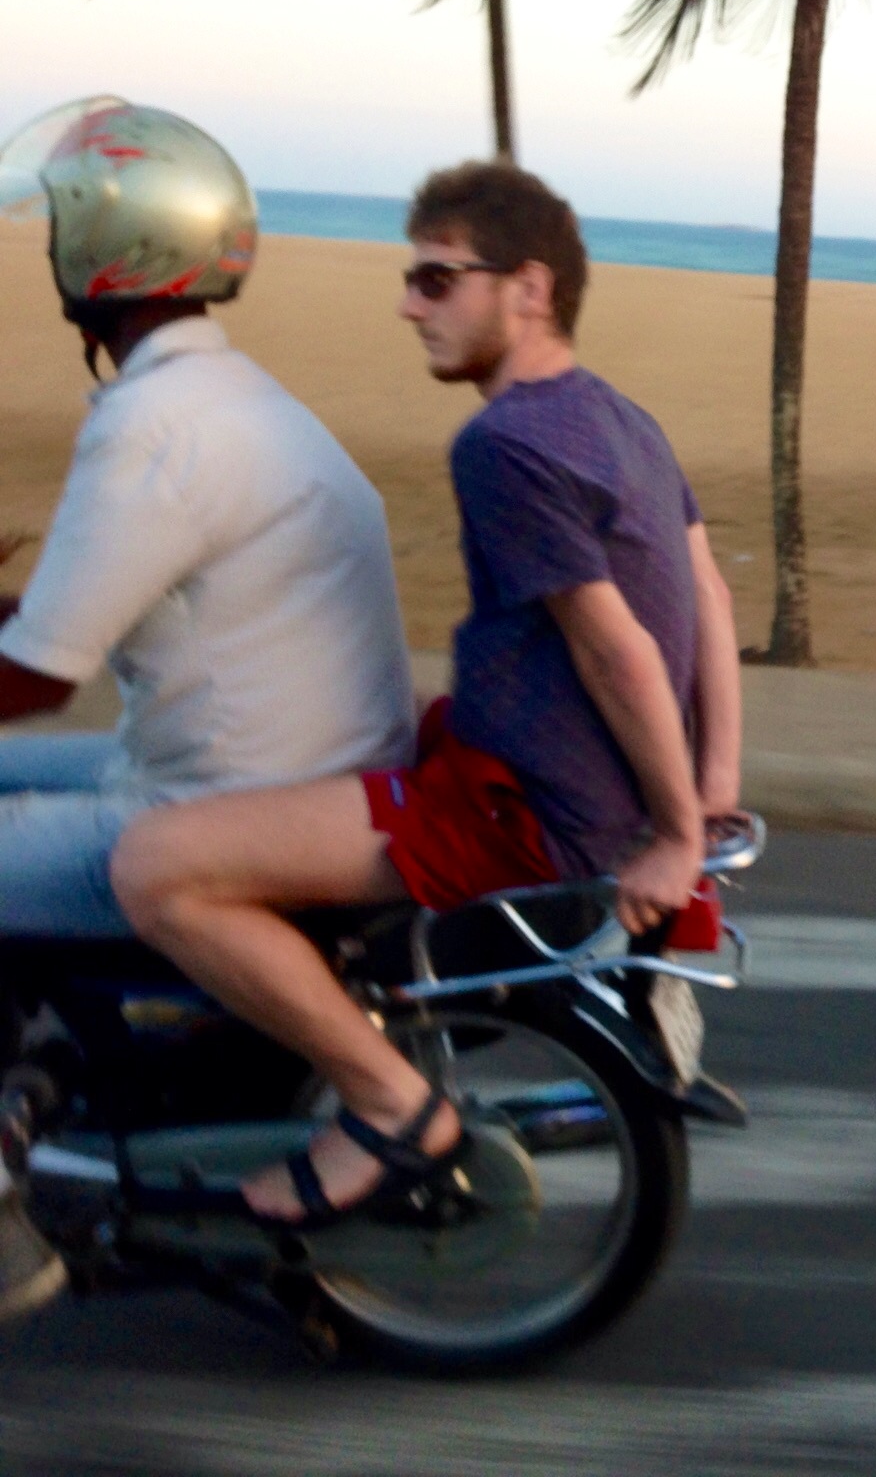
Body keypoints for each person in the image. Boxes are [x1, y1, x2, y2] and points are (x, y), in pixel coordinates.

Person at [112, 161, 743, 1228]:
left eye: (436, 279)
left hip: (516, 813)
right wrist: (714, 780)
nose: (410, 305)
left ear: (529, 289)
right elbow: (711, 598)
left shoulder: (505, 446)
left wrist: (680, 837)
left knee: (154, 869)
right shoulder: (620, 418)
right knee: (330, 734)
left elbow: (618, 650)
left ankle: (389, 1107)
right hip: (527, 770)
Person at [0, 100, 414, 1315]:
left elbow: (40, 677)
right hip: (275, 761)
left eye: (65, 225)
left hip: (229, 795)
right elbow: (88, 604)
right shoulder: (229, 399)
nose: (51, 247)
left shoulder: (157, 428)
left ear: (112, 249)